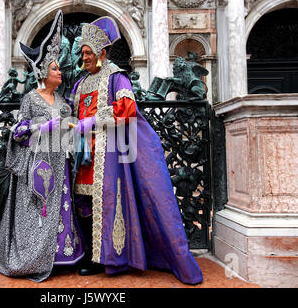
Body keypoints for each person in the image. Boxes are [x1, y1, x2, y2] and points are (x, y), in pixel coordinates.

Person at [70, 16, 203, 285]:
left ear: (102, 53)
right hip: (84, 154)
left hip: (109, 154)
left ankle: (105, 258)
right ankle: (89, 254)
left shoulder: (117, 77)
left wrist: (92, 121)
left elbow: (128, 111)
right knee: (83, 202)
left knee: (106, 203)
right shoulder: (80, 83)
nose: (83, 58)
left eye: (87, 53)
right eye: (82, 53)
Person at [0, 10, 85, 283]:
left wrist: (73, 133)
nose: (60, 71)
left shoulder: (65, 103)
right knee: (36, 212)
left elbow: (70, 138)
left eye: (58, 67)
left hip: (59, 165)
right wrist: (43, 128)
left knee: (62, 210)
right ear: (43, 71)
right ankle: (31, 258)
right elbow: (18, 131)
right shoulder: (31, 99)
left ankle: (61, 257)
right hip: (36, 166)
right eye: (55, 68)